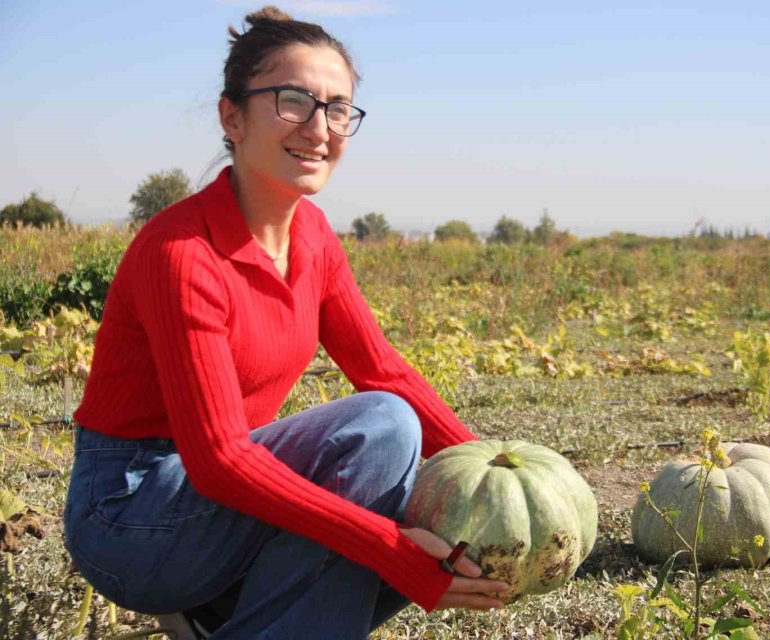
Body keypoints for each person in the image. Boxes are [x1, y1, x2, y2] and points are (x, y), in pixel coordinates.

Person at [63, 6, 508, 639]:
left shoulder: (313, 236)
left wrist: (495, 470)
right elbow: (217, 460)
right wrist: (390, 550)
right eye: (293, 101)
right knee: (379, 431)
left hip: (220, 502)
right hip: (133, 515)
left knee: (394, 455)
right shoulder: (181, 252)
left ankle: (227, 618)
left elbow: (380, 367)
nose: (320, 127)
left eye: (338, 108)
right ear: (231, 117)